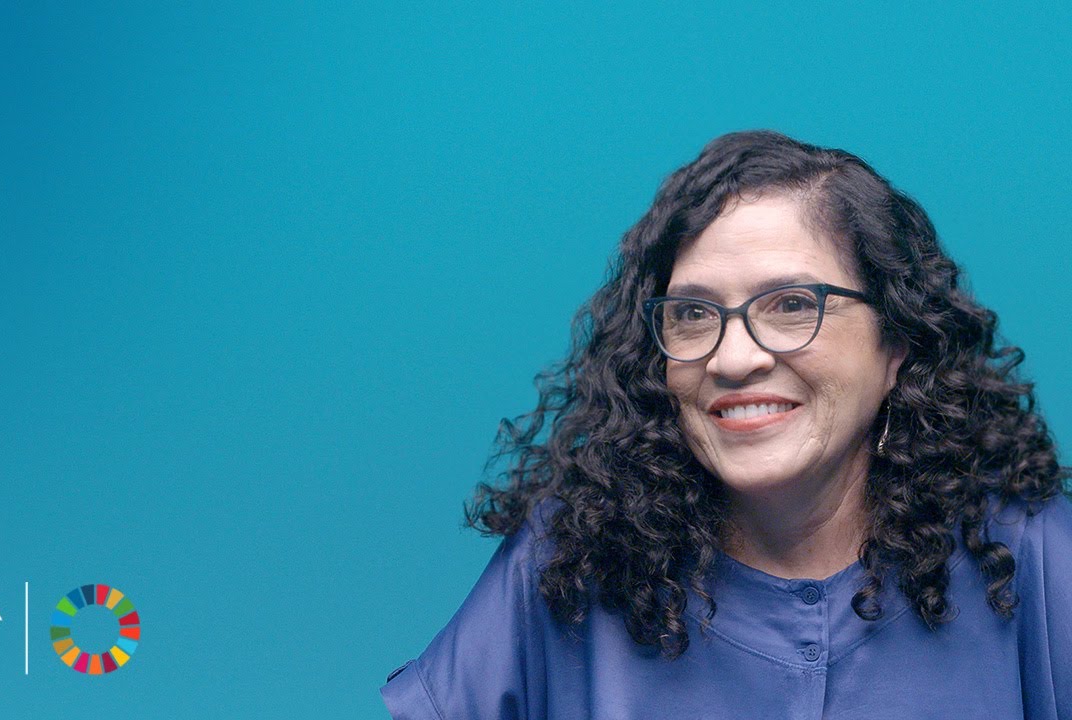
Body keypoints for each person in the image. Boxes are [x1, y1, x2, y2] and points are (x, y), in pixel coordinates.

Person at [380, 130, 1070, 719]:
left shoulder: (1031, 555)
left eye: (792, 305)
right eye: (692, 314)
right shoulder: (567, 561)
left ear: (896, 343)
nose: (734, 359)